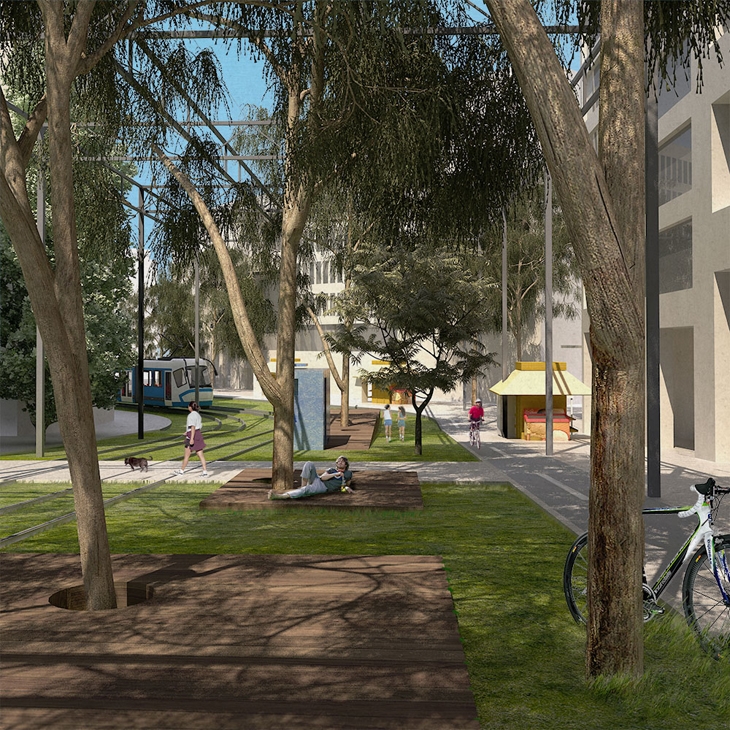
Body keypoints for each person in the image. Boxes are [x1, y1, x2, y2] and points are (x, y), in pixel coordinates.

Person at [268, 457, 353, 500]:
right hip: (318, 480)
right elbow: (323, 478)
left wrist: (346, 487)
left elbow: (345, 484)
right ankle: (303, 486)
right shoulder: (332, 470)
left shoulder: (348, 473)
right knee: (309, 464)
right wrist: (336, 473)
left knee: (307, 489)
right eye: (338, 461)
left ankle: (280, 496)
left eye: (342, 461)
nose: (340, 462)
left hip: (323, 487)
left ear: (346, 464)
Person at [175, 401, 208, 476]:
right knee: (201, 455)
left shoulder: (190, 415)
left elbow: (192, 427)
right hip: (198, 434)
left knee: (186, 455)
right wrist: (187, 431)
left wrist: (191, 438)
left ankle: (181, 471)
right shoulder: (198, 415)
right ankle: (205, 471)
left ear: (190, 407)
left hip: (192, 436)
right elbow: (196, 427)